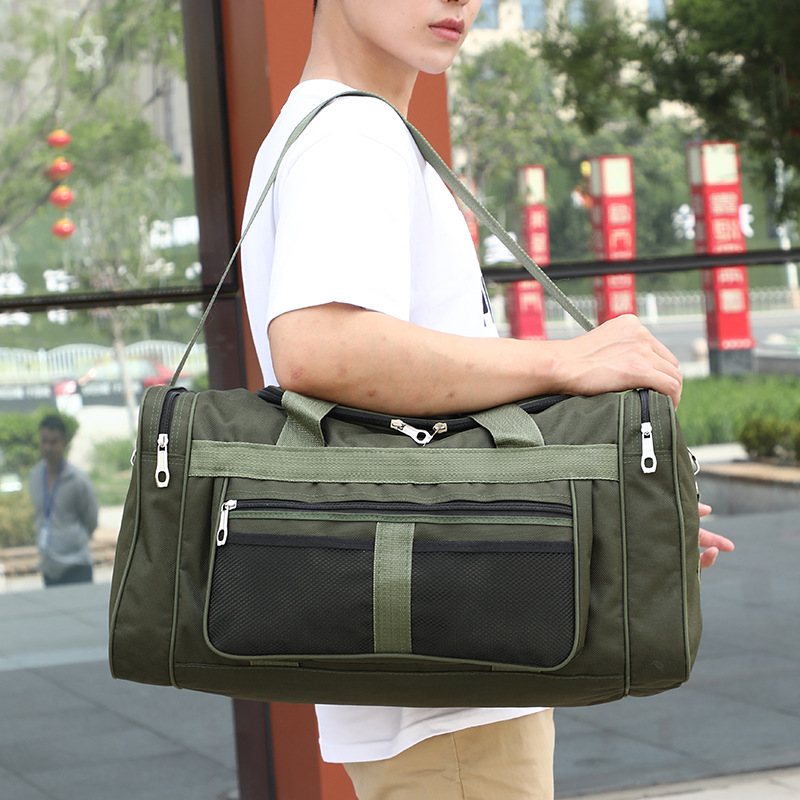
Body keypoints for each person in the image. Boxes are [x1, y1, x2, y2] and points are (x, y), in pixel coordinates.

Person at [240, 1, 735, 797]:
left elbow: (431, 430)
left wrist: (610, 514)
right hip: (453, 689)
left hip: (443, 661)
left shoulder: (337, 130)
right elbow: (319, 347)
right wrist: (566, 361)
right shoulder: (352, 135)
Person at [29, 415, 98, 588]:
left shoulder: (78, 480)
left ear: (64, 444)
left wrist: (72, 540)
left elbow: (91, 521)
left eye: (53, 442)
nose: (48, 447)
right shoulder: (35, 476)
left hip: (77, 567)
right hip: (49, 568)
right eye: (44, 441)